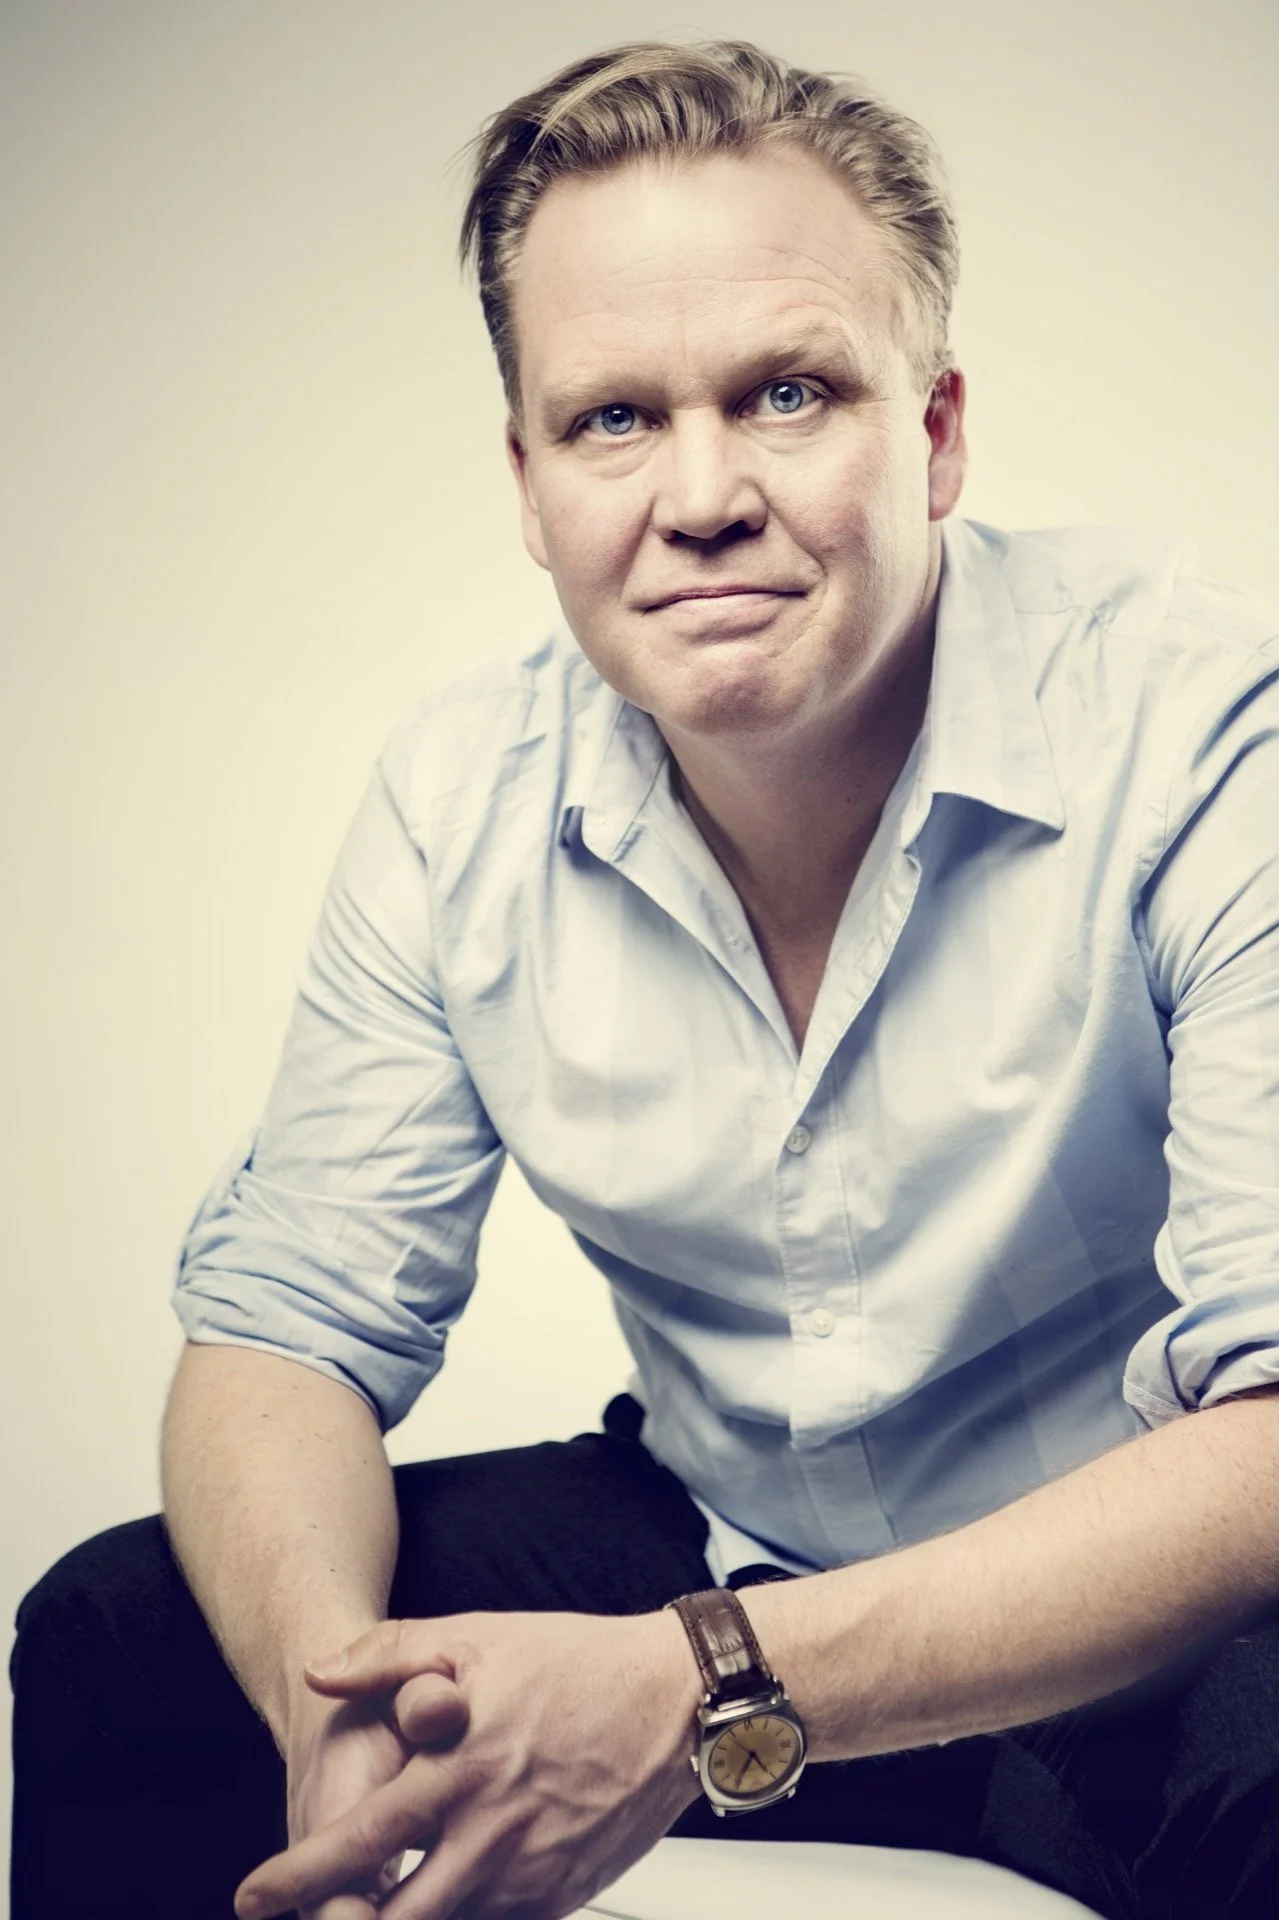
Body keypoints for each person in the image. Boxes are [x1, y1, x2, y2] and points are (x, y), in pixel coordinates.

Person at [10, 36, 1279, 1920]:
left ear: (934, 433)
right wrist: (324, 1705)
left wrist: (701, 1686)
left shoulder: (1203, 730)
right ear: (528, 484)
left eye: (787, 393)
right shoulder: (461, 799)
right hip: (729, 1535)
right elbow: (286, 1325)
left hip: (1159, 1616)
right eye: (611, 418)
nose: (699, 496)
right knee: (120, 1636)